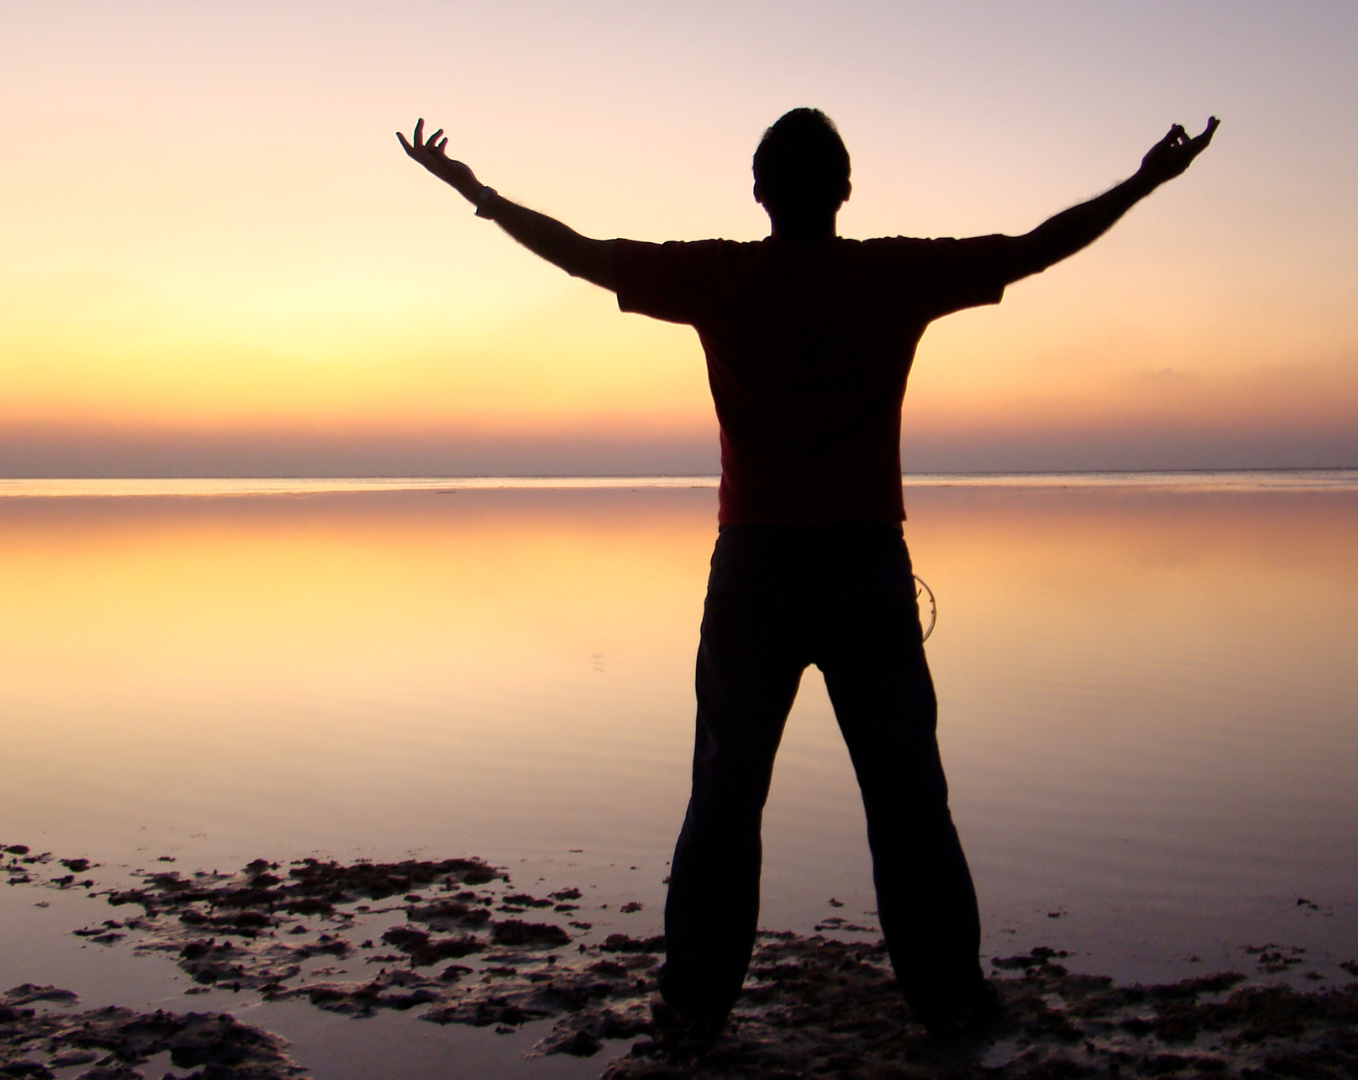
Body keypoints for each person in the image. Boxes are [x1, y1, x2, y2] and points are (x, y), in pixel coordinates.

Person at [399, 108, 1216, 1039]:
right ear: (845, 191)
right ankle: (947, 1001)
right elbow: (1035, 248)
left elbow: (582, 254)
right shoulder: (891, 274)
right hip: (864, 566)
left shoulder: (722, 276)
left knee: (726, 795)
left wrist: (478, 194)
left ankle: (695, 1005)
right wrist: (1146, 182)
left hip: (756, 569)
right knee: (907, 796)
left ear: (759, 193)